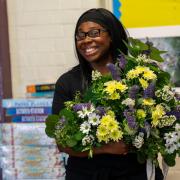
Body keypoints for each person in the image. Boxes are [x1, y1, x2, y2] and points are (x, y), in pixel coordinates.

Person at [52, 8, 163, 180]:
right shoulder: (67, 83)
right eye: (80, 35)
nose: (86, 40)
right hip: (87, 175)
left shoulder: (139, 76)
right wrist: (105, 148)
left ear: (111, 36)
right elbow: (62, 144)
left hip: (136, 174)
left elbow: (161, 123)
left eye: (94, 33)